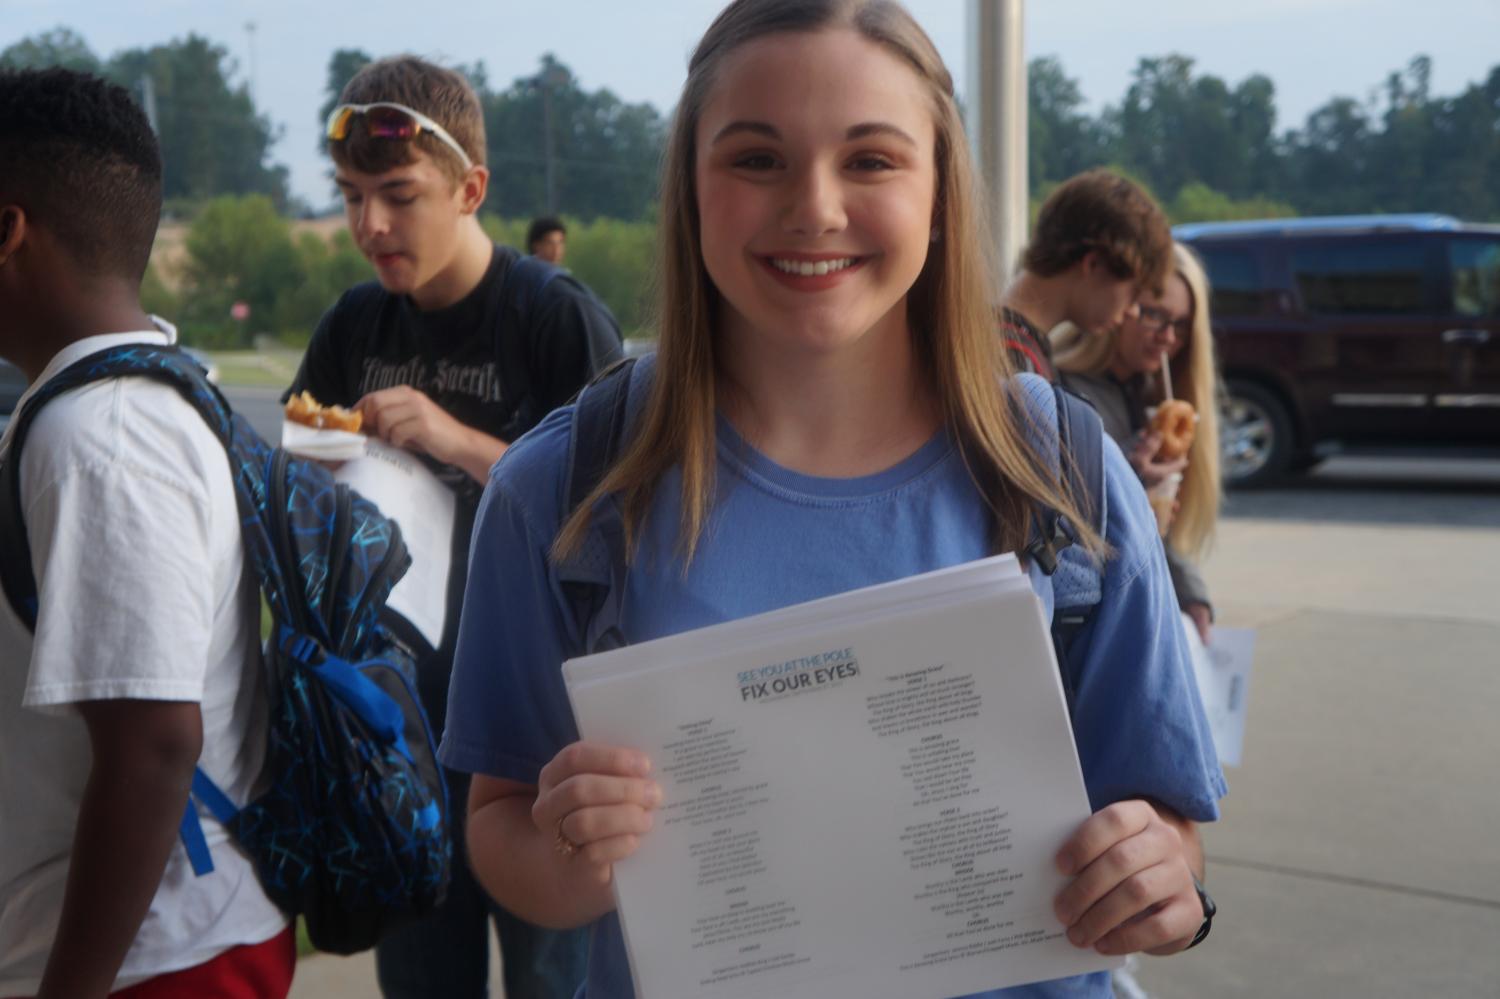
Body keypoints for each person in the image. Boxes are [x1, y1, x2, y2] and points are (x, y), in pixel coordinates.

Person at [440, 2, 1225, 997]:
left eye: (871, 160)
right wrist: (571, 855)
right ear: (689, 184)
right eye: (757, 159)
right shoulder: (564, 490)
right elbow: (500, 824)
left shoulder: (1063, 474)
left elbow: (1172, 833)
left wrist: (1162, 883)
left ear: (942, 190)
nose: (813, 206)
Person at [286, 55, 621, 999]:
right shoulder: (354, 326)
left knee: (555, 982)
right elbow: (291, 505)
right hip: (402, 731)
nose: (369, 226)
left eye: (398, 195)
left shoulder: (551, 317)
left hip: (537, 732)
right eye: (352, 197)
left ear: (470, 188)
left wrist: (465, 441)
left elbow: (620, 515)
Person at [0, 68, 292, 998]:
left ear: (7, 231)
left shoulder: (103, 436)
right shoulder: (145, 392)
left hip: (155, 960)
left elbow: (156, 744)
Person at [1052, 243, 1223, 643]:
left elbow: (1160, 527)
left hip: (1141, 604)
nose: (1167, 337)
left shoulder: (1153, 396)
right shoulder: (1062, 390)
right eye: (1154, 315)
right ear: (1123, 306)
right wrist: (1127, 476)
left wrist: (1189, 590)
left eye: (1181, 325)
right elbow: (1050, 522)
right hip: (1088, 621)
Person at [1000, 169, 1174, 380]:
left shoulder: (998, 340)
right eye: (1133, 292)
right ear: (1094, 264)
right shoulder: (1013, 362)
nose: (1133, 311)